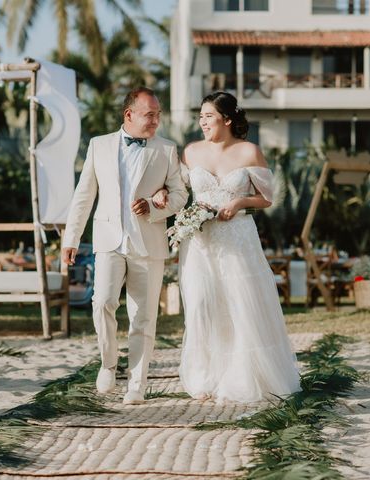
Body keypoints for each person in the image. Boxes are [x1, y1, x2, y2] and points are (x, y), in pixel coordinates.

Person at [155, 91, 301, 403]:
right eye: (201, 117)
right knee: (202, 305)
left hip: (237, 238)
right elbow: (177, 188)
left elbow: (268, 198)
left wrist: (240, 201)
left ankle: (244, 376)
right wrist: (162, 196)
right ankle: (205, 376)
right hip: (201, 242)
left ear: (228, 119)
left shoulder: (249, 151)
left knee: (240, 305)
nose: (202, 122)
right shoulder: (192, 151)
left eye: (208, 116)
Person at [61, 87, 188, 405]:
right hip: (108, 241)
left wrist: (155, 207)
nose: (156, 120)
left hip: (149, 243)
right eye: (150, 114)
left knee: (143, 317)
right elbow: (84, 195)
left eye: (158, 114)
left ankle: (137, 384)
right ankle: (107, 364)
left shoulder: (167, 150)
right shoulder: (99, 145)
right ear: (129, 114)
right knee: (102, 301)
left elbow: (180, 195)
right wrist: (71, 239)